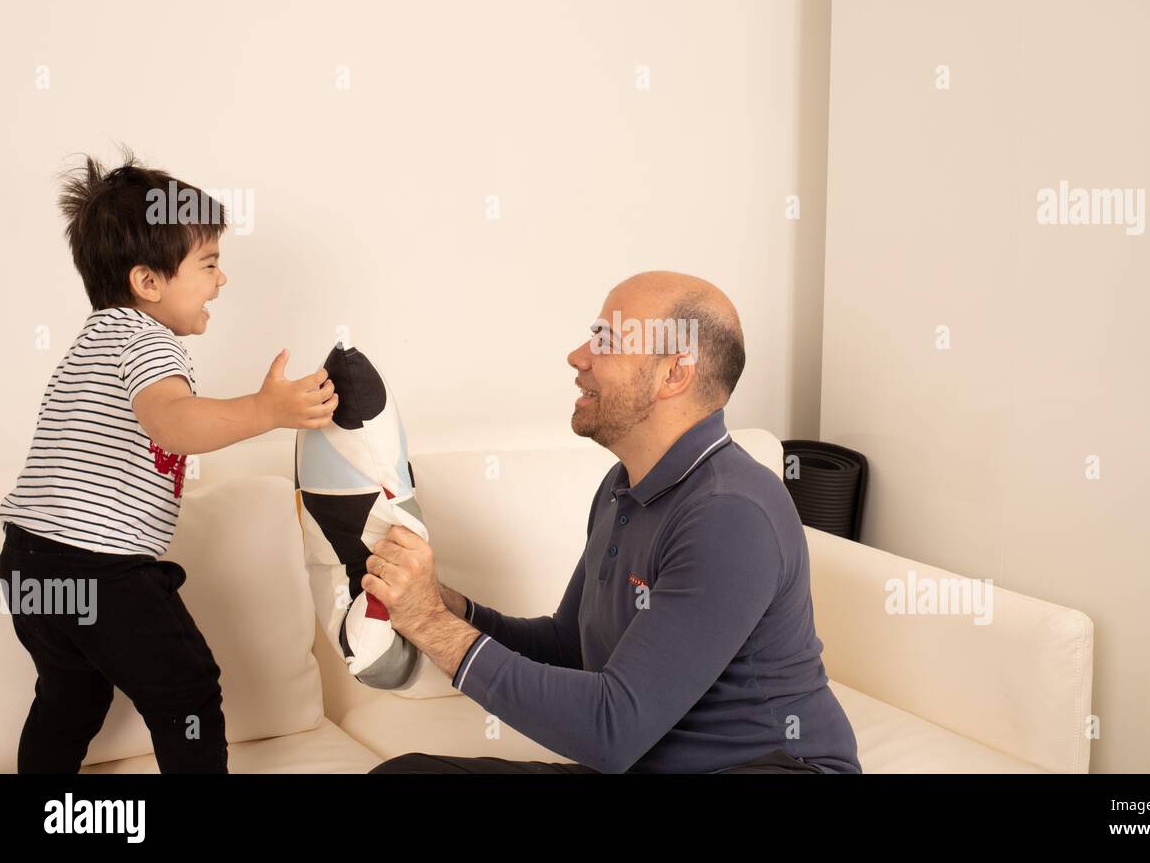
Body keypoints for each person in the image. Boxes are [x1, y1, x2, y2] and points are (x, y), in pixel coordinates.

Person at [363, 271, 861, 774]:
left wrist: (430, 625)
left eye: (606, 339)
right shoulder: (624, 485)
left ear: (674, 374)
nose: (578, 356)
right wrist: (444, 604)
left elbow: (611, 730)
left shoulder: (730, 513)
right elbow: (568, 646)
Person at [0, 149, 337, 773]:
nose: (221, 280)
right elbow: (172, 424)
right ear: (147, 282)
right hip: (98, 567)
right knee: (186, 691)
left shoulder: (91, 343)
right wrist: (268, 409)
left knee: (69, 696)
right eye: (208, 265)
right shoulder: (147, 341)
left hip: (29, 564)